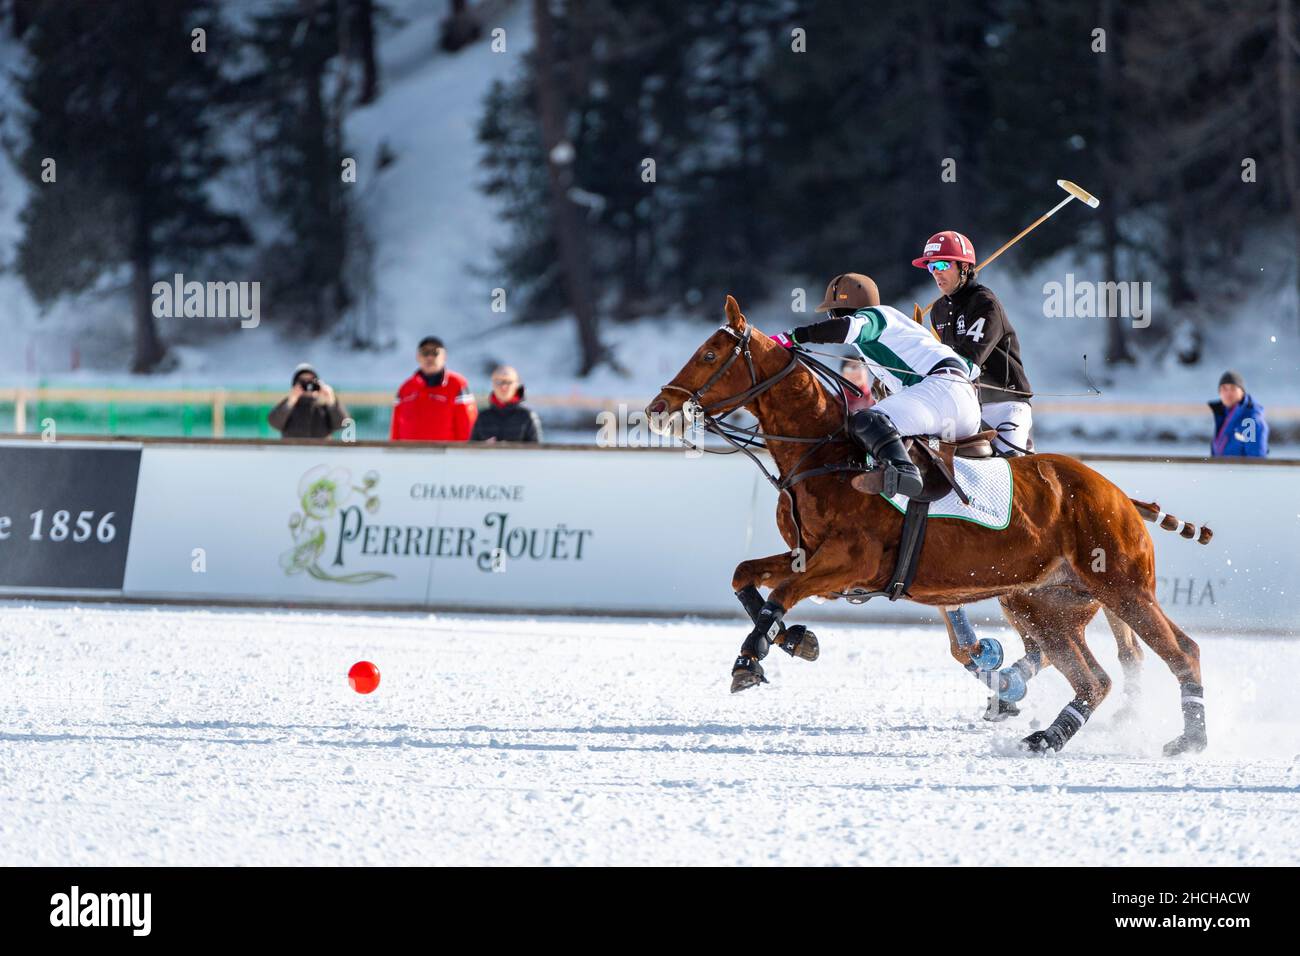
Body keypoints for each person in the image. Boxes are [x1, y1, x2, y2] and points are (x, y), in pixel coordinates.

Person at [771, 272, 982, 497]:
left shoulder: (875, 316)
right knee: (883, 432)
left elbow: (845, 329)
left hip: (940, 394)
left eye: (833, 313)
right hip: (964, 408)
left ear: (842, 310)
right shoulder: (904, 333)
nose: (832, 319)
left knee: (867, 420)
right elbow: (972, 368)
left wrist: (792, 336)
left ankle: (903, 471)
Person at [913, 231, 1034, 456]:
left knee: (1012, 468)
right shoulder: (938, 311)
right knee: (932, 455)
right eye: (931, 267)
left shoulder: (985, 304)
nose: (936, 273)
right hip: (965, 407)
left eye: (942, 264)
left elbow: (968, 362)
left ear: (964, 267)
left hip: (1006, 405)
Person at [390, 336, 478, 441]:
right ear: (418, 356)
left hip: (445, 454)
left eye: (435, 352)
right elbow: (396, 427)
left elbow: (468, 426)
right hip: (410, 454)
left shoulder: (457, 384)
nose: (429, 357)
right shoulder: (405, 388)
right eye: (425, 352)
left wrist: (464, 453)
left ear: (444, 356)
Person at [267, 363, 348, 439]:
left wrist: (331, 402)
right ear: (295, 385)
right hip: (292, 451)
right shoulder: (290, 408)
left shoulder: (324, 408)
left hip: (321, 452)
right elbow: (274, 422)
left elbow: (342, 424)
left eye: (312, 381)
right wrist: (290, 402)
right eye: (303, 382)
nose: (308, 386)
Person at [471, 365, 543, 443]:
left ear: (517, 384)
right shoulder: (482, 417)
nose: (503, 386)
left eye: (508, 382)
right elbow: (471, 452)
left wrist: (510, 450)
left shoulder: (527, 416)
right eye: (498, 382)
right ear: (492, 384)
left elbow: (537, 452)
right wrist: (483, 448)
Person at [1209, 370, 1268, 457]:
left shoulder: (1250, 420)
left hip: (1239, 470)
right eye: (1224, 389)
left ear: (1242, 392)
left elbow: (1256, 459)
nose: (1228, 393)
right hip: (1222, 469)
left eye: (1233, 388)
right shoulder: (1223, 415)